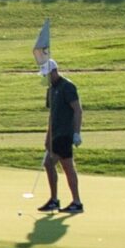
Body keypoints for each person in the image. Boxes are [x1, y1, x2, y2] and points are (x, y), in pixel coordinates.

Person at [39, 60, 84, 214]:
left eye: (46, 74)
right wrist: (47, 136)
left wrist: (77, 133)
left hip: (65, 133)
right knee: (49, 164)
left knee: (66, 166)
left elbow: (77, 110)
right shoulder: (51, 90)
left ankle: (76, 202)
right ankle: (55, 200)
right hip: (55, 134)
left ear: (54, 71)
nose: (45, 78)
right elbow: (52, 115)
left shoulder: (67, 87)